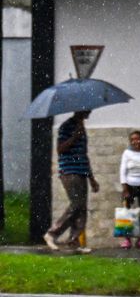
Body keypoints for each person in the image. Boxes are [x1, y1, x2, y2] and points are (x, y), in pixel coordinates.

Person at [44, 108, 98, 252]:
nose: (90, 111)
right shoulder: (66, 126)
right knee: (76, 204)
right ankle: (52, 233)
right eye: (88, 109)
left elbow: (84, 155)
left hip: (81, 171)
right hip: (69, 171)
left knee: (82, 207)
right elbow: (60, 149)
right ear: (80, 110)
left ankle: (74, 242)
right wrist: (74, 137)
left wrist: (91, 178)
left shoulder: (82, 128)